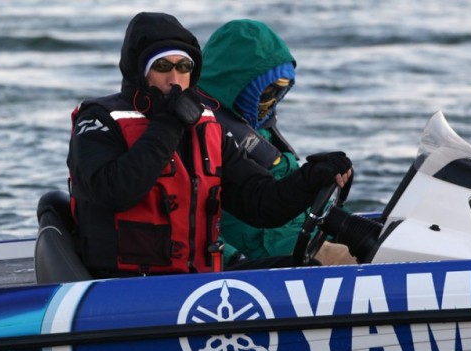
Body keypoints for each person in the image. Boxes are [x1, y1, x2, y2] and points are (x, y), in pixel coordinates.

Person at [66, 12, 352, 278]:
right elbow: (114, 191)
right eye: (162, 66)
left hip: (200, 280)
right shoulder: (100, 120)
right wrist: (166, 125)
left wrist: (311, 177)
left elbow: (260, 203)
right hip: (131, 285)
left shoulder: (205, 127)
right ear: (140, 72)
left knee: (307, 271)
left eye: (184, 67)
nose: (174, 79)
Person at [198, 19, 355, 267]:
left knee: (383, 243)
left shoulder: (263, 132)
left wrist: (350, 225)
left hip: (304, 240)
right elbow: (193, 224)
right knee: (360, 259)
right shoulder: (200, 135)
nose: (271, 101)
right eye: (267, 90)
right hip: (269, 258)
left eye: (280, 90)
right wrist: (234, 261)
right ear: (241, 84)